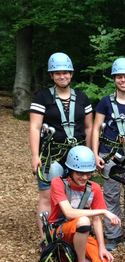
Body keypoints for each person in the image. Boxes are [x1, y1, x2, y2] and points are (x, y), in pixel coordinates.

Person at [29, 52, 93, 238]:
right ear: (51, 75)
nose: (62, 76)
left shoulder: (82, 98)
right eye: (57, 73)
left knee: (76, 196)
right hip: (52, 155)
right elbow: (35, 127)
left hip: (78, 158)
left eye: (65, 72)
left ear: (71, 74)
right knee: (48, 197)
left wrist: (90, 153)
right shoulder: (42, 97)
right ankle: (46, 239)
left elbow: (89, 128)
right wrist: (35, 156)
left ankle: (71, 235)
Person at [91, 57, 125, 253]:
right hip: (109, 154)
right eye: (120, 77)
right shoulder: (105, 102)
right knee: (111, 196)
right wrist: (95, 153)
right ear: (115, 79)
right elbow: (96, 128)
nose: (124, 80)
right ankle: (113, 234)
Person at [48, 145, 120, 262]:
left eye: (88, 173)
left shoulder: (94, 188)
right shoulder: (58, 183)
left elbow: (97, 220)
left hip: (82, 233)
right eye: (80, 173)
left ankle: (73, 259)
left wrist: (102, 246)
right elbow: (69, 212)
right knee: (83, 220)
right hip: (60, 230)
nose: (85, 177)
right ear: (70, 170)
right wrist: (103, 211)